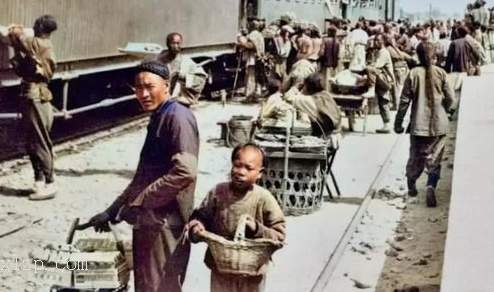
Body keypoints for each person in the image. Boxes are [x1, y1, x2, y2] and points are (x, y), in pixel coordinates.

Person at [87, 60, 199, 292]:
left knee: (160, 287)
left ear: (166, 85)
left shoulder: (177, 117)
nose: (143, 93)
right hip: (150, 222)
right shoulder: (160, 116)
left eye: (150, 86)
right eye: (138, 88)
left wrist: (140, 201)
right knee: (148, 285)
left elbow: (185, 171)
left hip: (164, 224)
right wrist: (112, 210)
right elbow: (143, 178)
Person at [186, 143, 286, 292]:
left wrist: (257, 228)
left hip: (253, 272)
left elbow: (279, 235)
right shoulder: (218, 192)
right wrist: (197, 228)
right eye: (237, 165)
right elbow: (200, 216)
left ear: (260, 172)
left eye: (248, 168)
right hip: (221, 269)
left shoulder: (263, 198)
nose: (240, 172)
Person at [0, 15, 58, 201]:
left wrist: (15, 27)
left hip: (36, 96)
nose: (34, 25)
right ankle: (39, 180)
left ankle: (50, 182)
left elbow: (18, 34)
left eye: (37, 24)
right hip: (32, 95)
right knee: (32, 140)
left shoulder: (39, 44)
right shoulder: (40, 44)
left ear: (41, 28)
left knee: (39, 140)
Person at [394, 42, 454, 207]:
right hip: (439, 125)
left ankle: (412, 189)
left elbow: (404, 102)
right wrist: (447, 110)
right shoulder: (441, 73)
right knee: (434, 159)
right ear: (435, 56)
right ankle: (430, 186)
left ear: (417, 56)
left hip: (418, 126)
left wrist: (398, 123)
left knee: (415, 158)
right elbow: (451, 99)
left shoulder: (413, 74)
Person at [284, 73, 342, 146]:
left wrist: (296, 86)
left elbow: (288, 97)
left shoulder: (310, 100)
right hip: (336, 136)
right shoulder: (326, 95)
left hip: (324, 139)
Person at [156, 32, 207, 107]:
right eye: (173, 43)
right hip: (161, 102)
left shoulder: (187, 62)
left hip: (180, 103)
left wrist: (184, 78)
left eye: (178, 43)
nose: (175, 46)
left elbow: (201, 81)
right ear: (167, 44)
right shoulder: (159, 61)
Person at [368, 34, 395, 133]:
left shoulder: (383, 52)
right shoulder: (378, 52)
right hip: (381, 79)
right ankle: (386, 123)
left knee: (384, 100)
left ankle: (387, 124)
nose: (375, 42)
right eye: (375, 40)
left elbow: (377, 66)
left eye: (378, 40)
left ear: (383, 41)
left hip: (385, 80)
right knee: (381, 100)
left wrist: (368, 66)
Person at [320, 26, 340, 90]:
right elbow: (338, 55)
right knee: (331, 79)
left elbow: (321, 52)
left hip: (325, 63)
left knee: (325, 80)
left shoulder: (325, 40)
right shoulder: (337, 42)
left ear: (329, 32)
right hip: (334, 64)